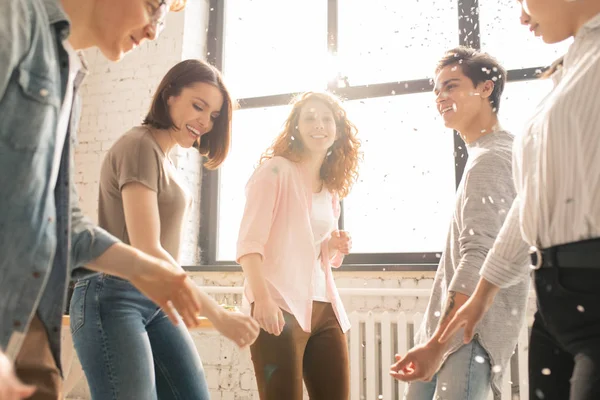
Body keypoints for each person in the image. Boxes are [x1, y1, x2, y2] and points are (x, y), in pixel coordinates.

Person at [0, 1, 205, 399]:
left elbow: (67, 224)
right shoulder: (14, 16)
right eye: (153, 7)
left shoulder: (70, 75)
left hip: (31, 310)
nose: (153, 31)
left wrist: (149, 269)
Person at [70, 59, 260, 400]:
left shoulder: (166, 160)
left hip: (156, 301)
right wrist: (216, 313)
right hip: (112, 297)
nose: (204, 121)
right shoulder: (139, 145)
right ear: (169, 96)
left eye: (214, 115)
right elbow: (148, 249)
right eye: (198, 106)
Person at [440, 1, 600, 399]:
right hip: (554, 302)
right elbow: (530, 202)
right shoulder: (574, 65)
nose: (522, 16)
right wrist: (480, 299)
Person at [389, 47, 530, 400]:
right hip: (448, 336)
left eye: (451, 86)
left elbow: (477, 255)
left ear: (485, 88)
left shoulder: (493, 158)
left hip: (467, 337)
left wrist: (438, 343)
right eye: (437, 90)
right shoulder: (488, 154)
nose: (440, 97)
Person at [236, 91, 361, 400]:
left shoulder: (330, 188)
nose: (319, 125)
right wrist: (261, 300)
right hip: (278, 304)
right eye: (310, 118)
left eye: (326, 119)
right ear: (295, 127)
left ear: (338, 129)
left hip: (324, 308)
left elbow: (312, 250)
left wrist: (332, 244)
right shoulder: (275, 172)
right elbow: (249, 243)